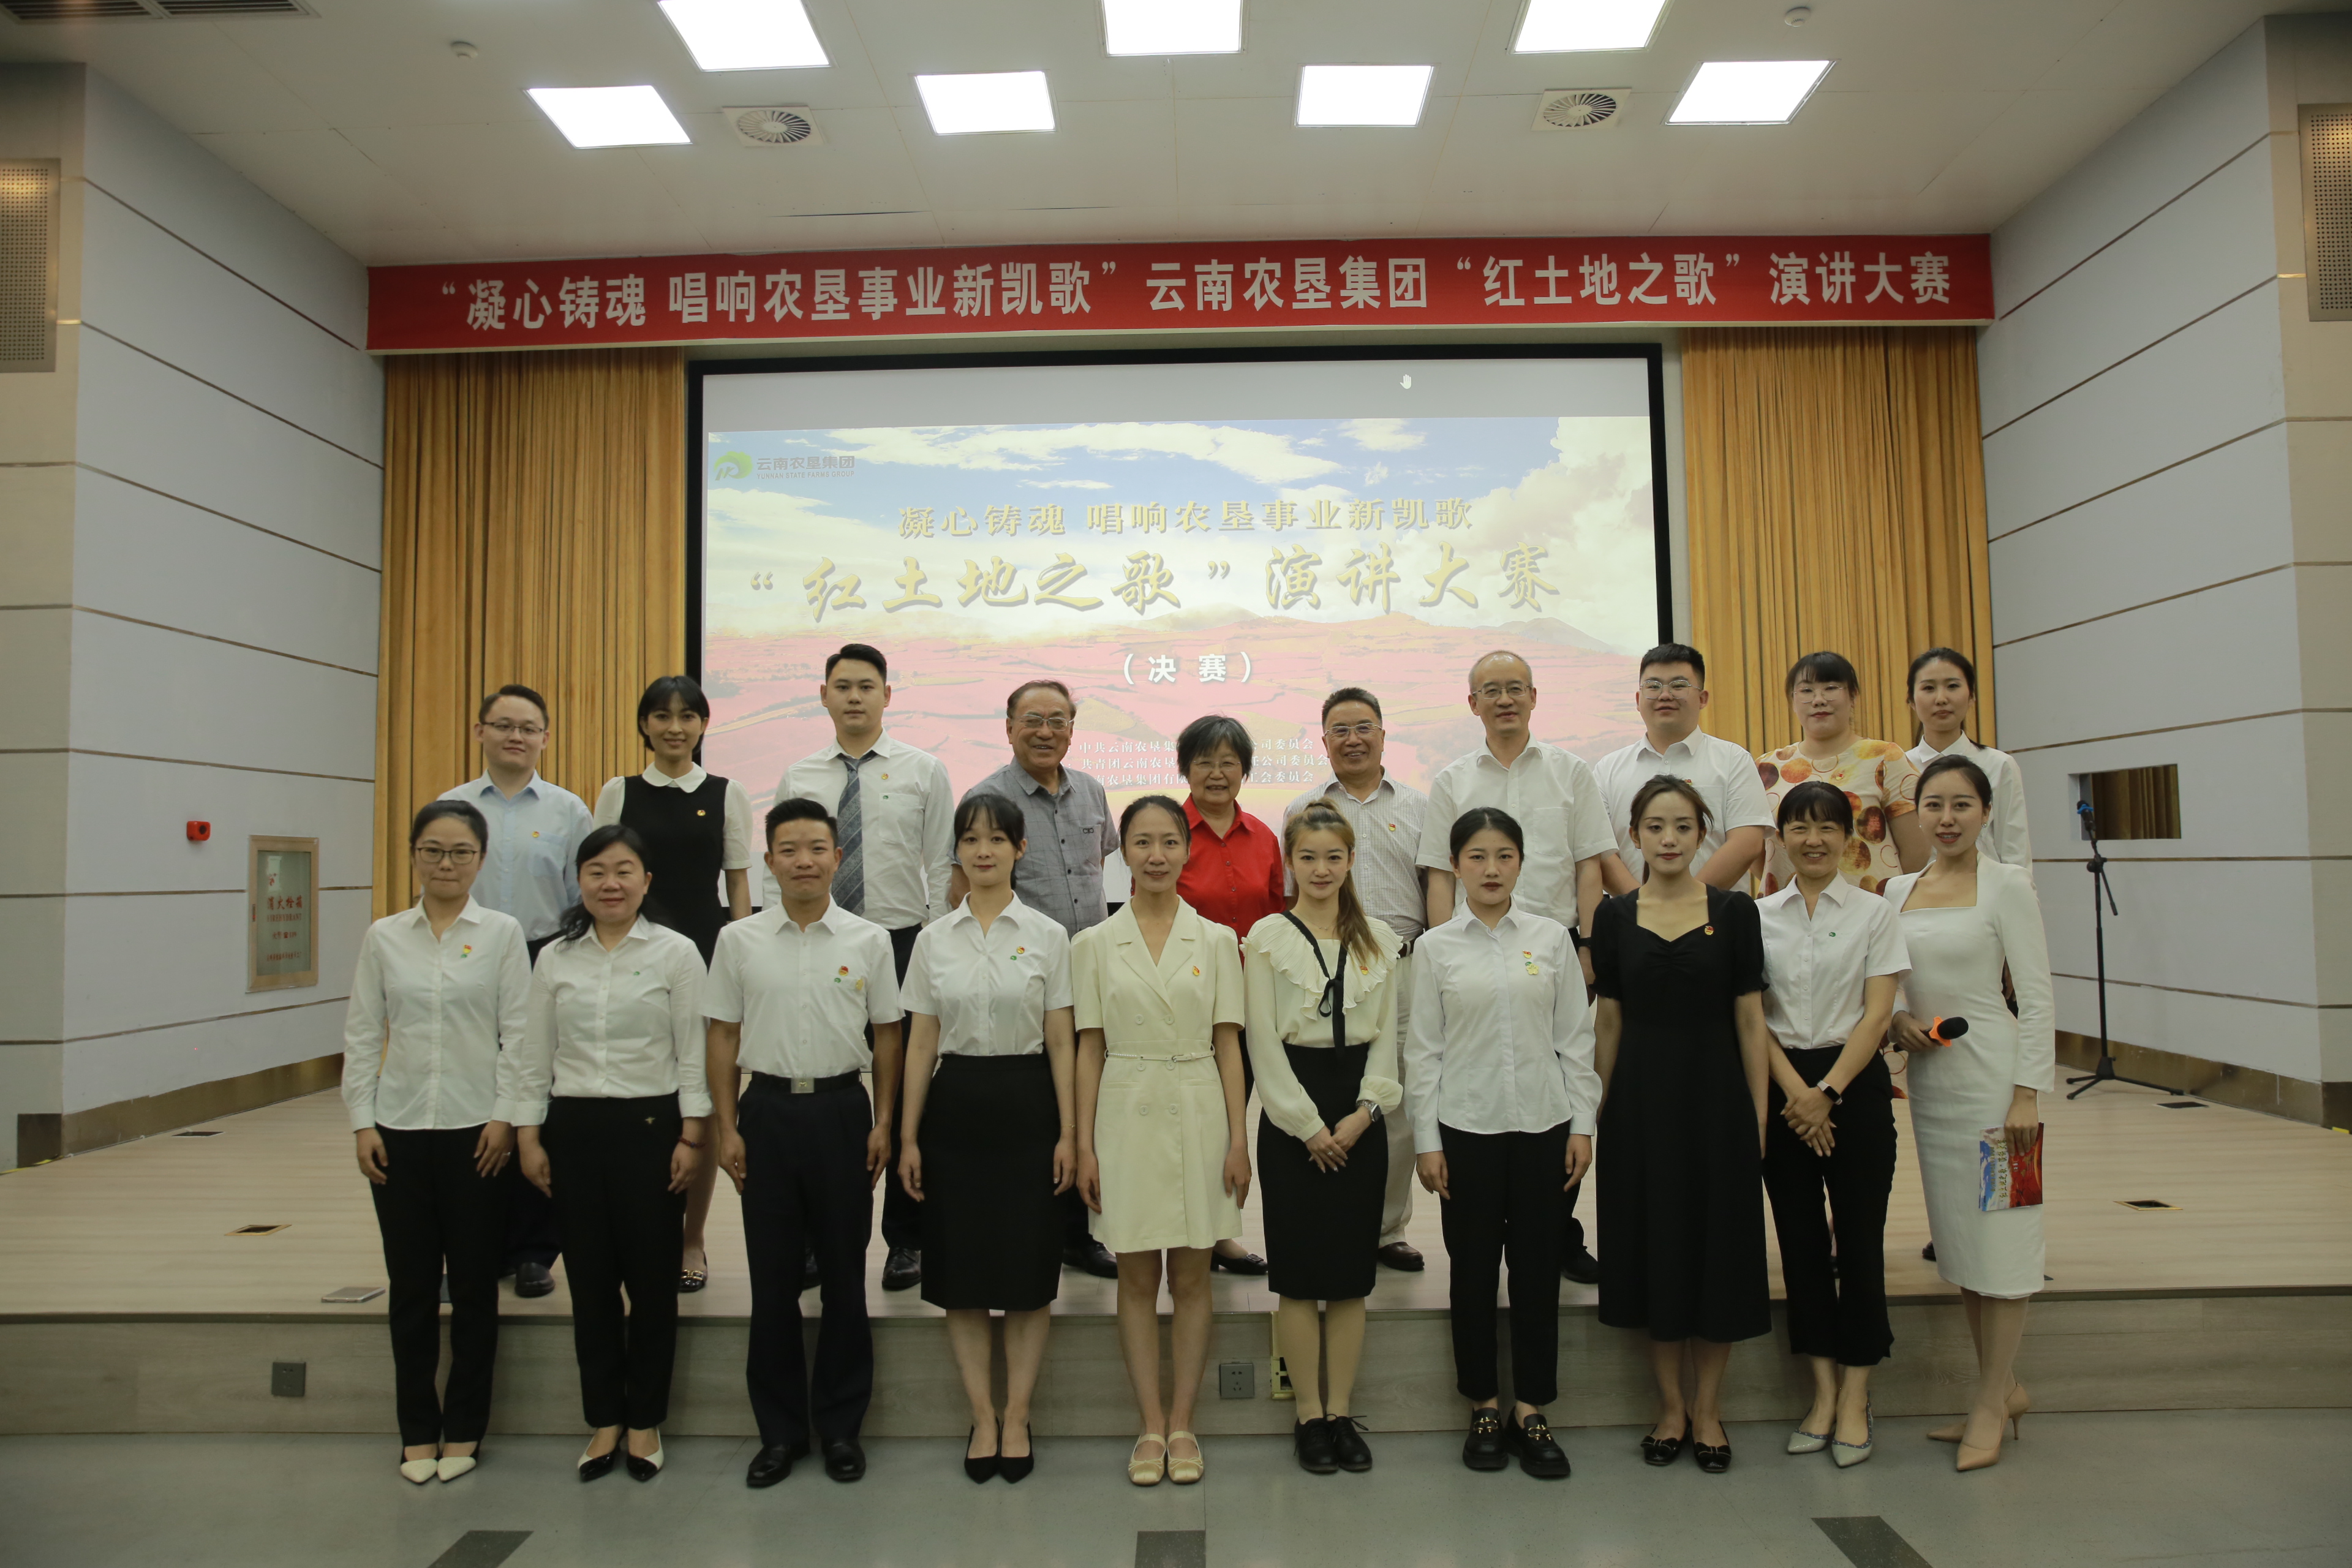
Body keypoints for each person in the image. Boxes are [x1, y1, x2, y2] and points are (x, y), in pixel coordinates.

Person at [707, 799, 903, 1488]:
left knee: (846, 1278)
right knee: (773, 1282)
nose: (804, 861)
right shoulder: (738, 941)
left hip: (843, 1111)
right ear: (768, 862)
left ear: (838, 858)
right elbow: (722, 1035)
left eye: (817, 849)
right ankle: (780, 1433)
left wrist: (883, 1121)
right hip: (765, 1111)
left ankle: (842, 1428)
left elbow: (888, 1036)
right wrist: (727, 1126)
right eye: (788, 850)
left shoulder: (868, 940)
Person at [511, 824, 709, 1483]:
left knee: (652, 1284)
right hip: (573, 1129)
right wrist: (528, 1134)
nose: (611, 884)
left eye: (624, 871)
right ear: (580, 881)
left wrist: (692, 1135)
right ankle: (604, 1419)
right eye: (596, 871)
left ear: (646, 881)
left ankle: (645, 1419)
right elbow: (534, 1053)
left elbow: (693, 1052)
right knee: (591, 1284)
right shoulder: (556, 958)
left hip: (652, 1127)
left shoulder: (676, 953)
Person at [1405, 806, 1597, 1480]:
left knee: (1539, 1271)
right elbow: (1423, 1052)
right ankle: (1484, 1405)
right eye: (1477, 857)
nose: (1491, 869)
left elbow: (1576, 1041)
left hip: (1545, 1127)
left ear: (1522, 862)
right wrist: (1427, 1140)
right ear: (1455, 867)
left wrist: (1582, 1124)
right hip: (1467, 1130)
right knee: (1474, 1272)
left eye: (1504, 856)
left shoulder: (1552, 940)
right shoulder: (1435, 948)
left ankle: (1531, 1408)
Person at [341, 801, 528, 1485]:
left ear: (481, 860)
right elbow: (364, 1033)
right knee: (412, 1286)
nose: (446, 864)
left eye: (460, 852)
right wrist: (362, 1121)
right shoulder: (385, 937)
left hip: (479, 1133)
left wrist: (506, 1117)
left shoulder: (503, 934)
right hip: (398, 1131)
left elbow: (521, 1034)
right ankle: (417, 1429)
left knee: (475, 1285)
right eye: (433, 851)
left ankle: (466, 1426)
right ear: (415, 855)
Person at [1591, 776, 1774, 1475]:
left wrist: (1758, 1114)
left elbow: (1750, 1020)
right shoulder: (1614, 916)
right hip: (1639, 1108)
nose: (1669, 840)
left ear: (1703, 835)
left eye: (1683, 827)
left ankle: (1709, 1409)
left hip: (1718, 1104)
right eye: (1655, 827)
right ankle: (1670, 1407)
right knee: (1655, 1251)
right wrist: (1597, 1112)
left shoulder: (1734, 912)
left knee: (1717, 1252)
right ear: (1635, 835)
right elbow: (1609, 1021)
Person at [895, 793, 1077, 1484]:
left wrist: (1070, 1132)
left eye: (998, 839)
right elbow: (920, 1044)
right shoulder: (933, 940)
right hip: (955, 1111)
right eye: (971, 839)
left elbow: (1061, 1041)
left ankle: (1019, 1414)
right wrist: (909, 1137)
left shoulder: (1049, 936)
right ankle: (982, 1416)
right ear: (957, 852)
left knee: (1029, 1276)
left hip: (1029, 1107)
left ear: (1019, 850)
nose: (983, 850)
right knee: (962, 1275)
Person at [1418, 649, 1615, 1285]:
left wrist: (1588, 947)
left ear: (1534, 696)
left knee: (1554, 1086)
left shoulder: (1571, 772)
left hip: (1555, 951)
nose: (1504, 700)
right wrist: (1444, 946)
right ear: (1472, 703)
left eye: (1515, 689)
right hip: (1469, 950)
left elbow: (1589, 863)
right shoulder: (1452, 781)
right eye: (1491, 690)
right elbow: (1439, 874)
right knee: (1480, 1080)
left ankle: (1558, 1234)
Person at [1072, 796, 1250, 1488]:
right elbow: (1089, 1050)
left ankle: (1184, 1422)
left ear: (1187, 850)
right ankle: (1149, 1425)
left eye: (1169, 842)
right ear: (1122, 853)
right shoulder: (1093, 944)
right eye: (1142, 842)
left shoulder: (1217, 941)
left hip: (1199, 1106)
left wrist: (1239, 1140)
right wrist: (1085, 1145)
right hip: (1125, 1110)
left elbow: (1230, 1046)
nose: (1156, 855)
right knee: (1138, 1278)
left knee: (1194, 1278)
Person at [1885, 755, 2056, 1474]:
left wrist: (2027, 1094)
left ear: (1986, 812)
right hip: (1934, 1086)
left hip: (1997, 1085)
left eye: (1962, 804)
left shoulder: (2008, 884)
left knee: (2006, 1242)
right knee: (1962, 1245)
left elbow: (2037, 997)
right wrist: (1899, 1020)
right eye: (1934, 804)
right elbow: (1892, 983)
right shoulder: (1898, 889)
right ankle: (2002, 1389)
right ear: (1917, 813)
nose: (1947, 818)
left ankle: (1990, 1401)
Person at [768, 644, 954, 1294]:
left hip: (901, 943)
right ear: (823, 695)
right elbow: (780, 866)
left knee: (904, 1095)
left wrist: (936, 946)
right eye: (843, 686)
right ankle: (818, 1240)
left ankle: (906, 1239)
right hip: (819, 942)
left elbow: (941, 864)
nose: (854, 697)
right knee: (828, 1092)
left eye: (866, 686)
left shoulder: (924, 770)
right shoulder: (799, 776)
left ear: (886, 696)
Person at [1243, 804, 1403, 1475]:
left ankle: (1341, 1412)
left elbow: (1387, 1040)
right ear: (1290, 862)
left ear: (1351, 861)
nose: (1321, 869)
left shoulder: (1380, 940)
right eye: (1307, 857)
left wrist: (1367, 1112)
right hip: (1293, 1116)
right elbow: (1262, 1043)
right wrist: (1307, 1125)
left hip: (1360, 1113)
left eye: (1333, 857)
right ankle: (1308, 1415)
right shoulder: (1266, 937)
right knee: (1299, 1277)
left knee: (1349, 1279)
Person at [1756, 782, 1909, 1469]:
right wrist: (1799, 1095)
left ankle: (1856, 1396)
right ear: (1781, 838)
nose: (1812, 840)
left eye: (1826, 828)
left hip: (1855, 1084)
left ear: (1849, 837)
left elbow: (1878, 1015)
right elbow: (1752, 1016)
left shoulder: (1876, 912)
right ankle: (1821, 1394)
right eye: (1799, 827)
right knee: (1801, 1245)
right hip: (1783, 1087)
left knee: (1861, 1241)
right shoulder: (1757, 917)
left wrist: (1828, 1093)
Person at [595, 673, 754, 1294]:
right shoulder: (619, 791)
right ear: (644, 724)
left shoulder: (725, 793)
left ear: (704, 724)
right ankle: (631, 1232)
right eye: (662, 715)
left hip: (706, 960)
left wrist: (742, 957)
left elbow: (737, 881)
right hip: (631, 960)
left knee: (703, 1101)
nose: (675, 727)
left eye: (688, 716)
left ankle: (691, 1237)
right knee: (638, 1094)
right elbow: (604, 873)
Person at [961, 678, 1120, 1281]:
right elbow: (963, 891)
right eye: (1032, 720)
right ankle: (1030, 1228)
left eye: (1058, 720)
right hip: (1023, 982)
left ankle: (1081, 1235)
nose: (1045, 731)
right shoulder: (986, 799)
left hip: (1092, 977)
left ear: (1073, 729)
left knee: (1089, 1103)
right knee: (1038, 1109)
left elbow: (1097, 866)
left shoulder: (1093, 791)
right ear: (1009, 728)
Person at [440, 682, 595, 1302]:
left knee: (537, 1100)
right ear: (479, 731)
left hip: (542, 957)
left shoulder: (568, 811)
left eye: (528, 728)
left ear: (545, 738)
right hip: (467, 958)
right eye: (503, 725)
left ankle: (534, 1249)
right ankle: (473, 1247)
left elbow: (581, 898)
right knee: (473, 1097)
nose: (516, 736)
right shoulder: (451, 806)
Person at [1285, 687, 1430, 1273]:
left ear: (1383, 735)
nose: (1353, 739)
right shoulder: (1303, 809)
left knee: (1394, 1099)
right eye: (1340, 730)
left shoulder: (1420, 806)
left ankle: (1387, 1228)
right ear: (1324, 741)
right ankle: (1329, 1214)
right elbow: (1290, 897)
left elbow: (1436, 889)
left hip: (1402, 966)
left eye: (1364, 727)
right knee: (1328, 1092)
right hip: (1322, 970)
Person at [1175, 713, 1280, 1277]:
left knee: (1233, 1118)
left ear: (1245, 770)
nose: (1217, 774)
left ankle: (1217, 1232)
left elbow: (1281, 920)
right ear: (1185, 769)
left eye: (1228, 763)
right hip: (1186, 1005)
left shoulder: (1265, 838)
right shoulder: (1170, 834)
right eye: (1204, 763)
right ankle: (1189, 1231)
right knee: (1196, 1121)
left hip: (1253, 1004)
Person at [1595, 645, 1774, 894]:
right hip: (1631, 915)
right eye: (1653, 686)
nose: (1665, 695)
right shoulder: (1607, 769)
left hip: (1716, 913)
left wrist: (1688, 903)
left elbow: (1747, 843)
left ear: (1702, 699)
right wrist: (1640, 906)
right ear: (1638, 700)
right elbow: (1599, 850)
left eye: (1678, 685)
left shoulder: (1734, 760)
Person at [1755, 652, 1926, 897]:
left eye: (1831, 688)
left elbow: (1916, 851)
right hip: (1787, 912)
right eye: (1806, 691)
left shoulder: (1885, 758)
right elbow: (1758, 855)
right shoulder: (1767, 768)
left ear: (1853, 696)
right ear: (1793, 700)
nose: (1819, 700)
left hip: (1870, 911)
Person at [1906, 647, 2034, 880]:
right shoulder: (1898, 767)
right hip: (1917, 895)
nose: (1941, 699)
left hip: (1986, 891)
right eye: (1929, 688)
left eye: (1953, 686)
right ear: (1912, 701)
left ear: (1972, 697)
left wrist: (2020, 893)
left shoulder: (1999, 765)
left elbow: (2015, 852)